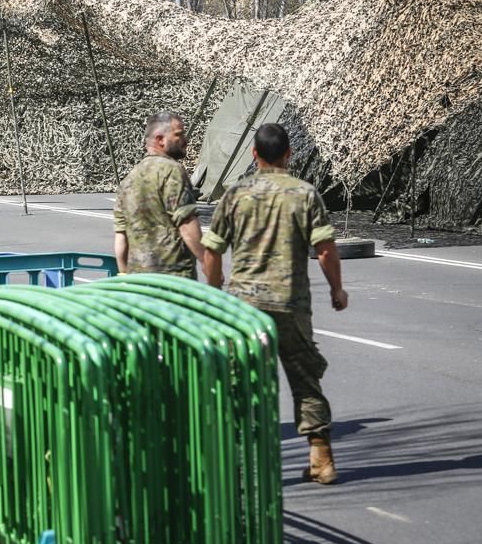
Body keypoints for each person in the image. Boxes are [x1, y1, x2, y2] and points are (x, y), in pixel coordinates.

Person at [202, 123, 347, 485]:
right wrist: (337, 290)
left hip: (245, 307)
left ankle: (239, 466)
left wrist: (216, 289)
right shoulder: (305, 193)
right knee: (305, 378)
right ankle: (321, 458)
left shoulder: (235, 195)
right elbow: (325, 250)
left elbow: (212, 250)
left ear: (254, 155)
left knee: (239, 381)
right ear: (288, 154)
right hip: (290, 304)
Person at [112, 111, 203, 278]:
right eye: (178, 135)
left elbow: (121, 237)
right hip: (173, 280)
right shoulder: (172, 171)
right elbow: (187, 225)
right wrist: (208, 261)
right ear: (160, 140)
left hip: (139, 281)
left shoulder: (129, 179)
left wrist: (124, 275)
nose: (185, 140)